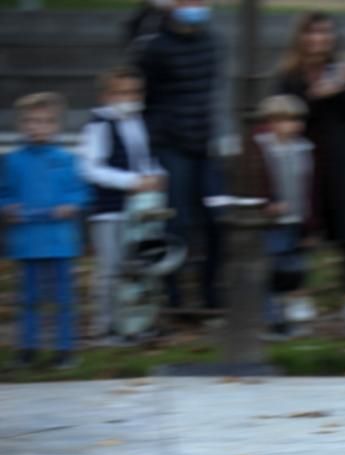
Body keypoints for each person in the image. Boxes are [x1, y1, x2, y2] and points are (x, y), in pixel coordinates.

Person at [275, 13, 345, 321]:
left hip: (343, 158)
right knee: (303, 229)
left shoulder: (344, 72)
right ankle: (297, 295)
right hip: (303, 160)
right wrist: (315, 96)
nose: (320, 39)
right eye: (313, 32)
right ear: (302, 37)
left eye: (325, 32)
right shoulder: (290, 75)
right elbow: (284, 114)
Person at [132, 0, 224, 311]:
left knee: (218, 220)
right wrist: (151, 10)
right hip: (170, 145)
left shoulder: (211, 42)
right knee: (177, 223)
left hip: (203, 145)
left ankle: (210, 294)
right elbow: (134, 52)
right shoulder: (155, 47)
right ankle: (174, 299)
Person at [1, 93, 90, 370]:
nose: (37, 127)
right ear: (22, 125)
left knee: (63, 299)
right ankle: (28, 348)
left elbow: (81, 192)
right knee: (27, 299)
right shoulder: (12, 161)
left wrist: (70, 206)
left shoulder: (67, 159)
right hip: (27, 241)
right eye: (31, 121)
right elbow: (3, 194)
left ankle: (65, 350)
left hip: (59, 240)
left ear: (56, 126)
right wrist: (8, 208)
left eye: (45, 122)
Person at [79, 66, 165, 342]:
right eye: (123, 92)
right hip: (110, 210)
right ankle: (106, 327)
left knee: (136, 267)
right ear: (108, 95)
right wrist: (131, 182)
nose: (130, 98)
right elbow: (91, 169)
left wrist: (158, 175)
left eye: (134, 92)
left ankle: (134, 323)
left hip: (139, 210)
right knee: (111, 269)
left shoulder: (140, 122)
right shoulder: (99, 125)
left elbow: (146, 159)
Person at [247, 95, 314, 339]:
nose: (294, 125)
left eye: (297, 120)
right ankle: (271, 319)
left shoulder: (303, 149)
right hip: (272, 224)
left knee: (293, 270)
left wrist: (310, 226)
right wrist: (267, 204)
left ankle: (286, 315)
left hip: (296, 221)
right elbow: (253, 184)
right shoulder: (260, 149)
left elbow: (310, 190)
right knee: (272, 271)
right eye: (287, 120)